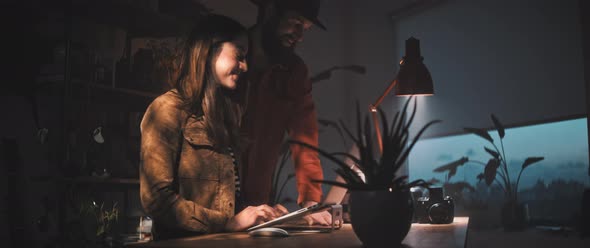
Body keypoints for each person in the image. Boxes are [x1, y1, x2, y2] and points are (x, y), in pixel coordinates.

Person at [139, 14, 288, 240]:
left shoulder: (225, 115)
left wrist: (264, 214)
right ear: (208, 50)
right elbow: (156, 199)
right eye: (239, 55)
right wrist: (228, 223)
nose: (245, 66)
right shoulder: (165, 110)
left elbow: (226, 200)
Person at [240, 0, 331, 225]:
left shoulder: (294, 71)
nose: (299, 36)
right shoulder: (230, 55)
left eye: (305, 29)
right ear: (271, 10)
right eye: (296, 23)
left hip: (255, 202)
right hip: (212, 198)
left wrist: (311, 202)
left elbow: (305, 139)